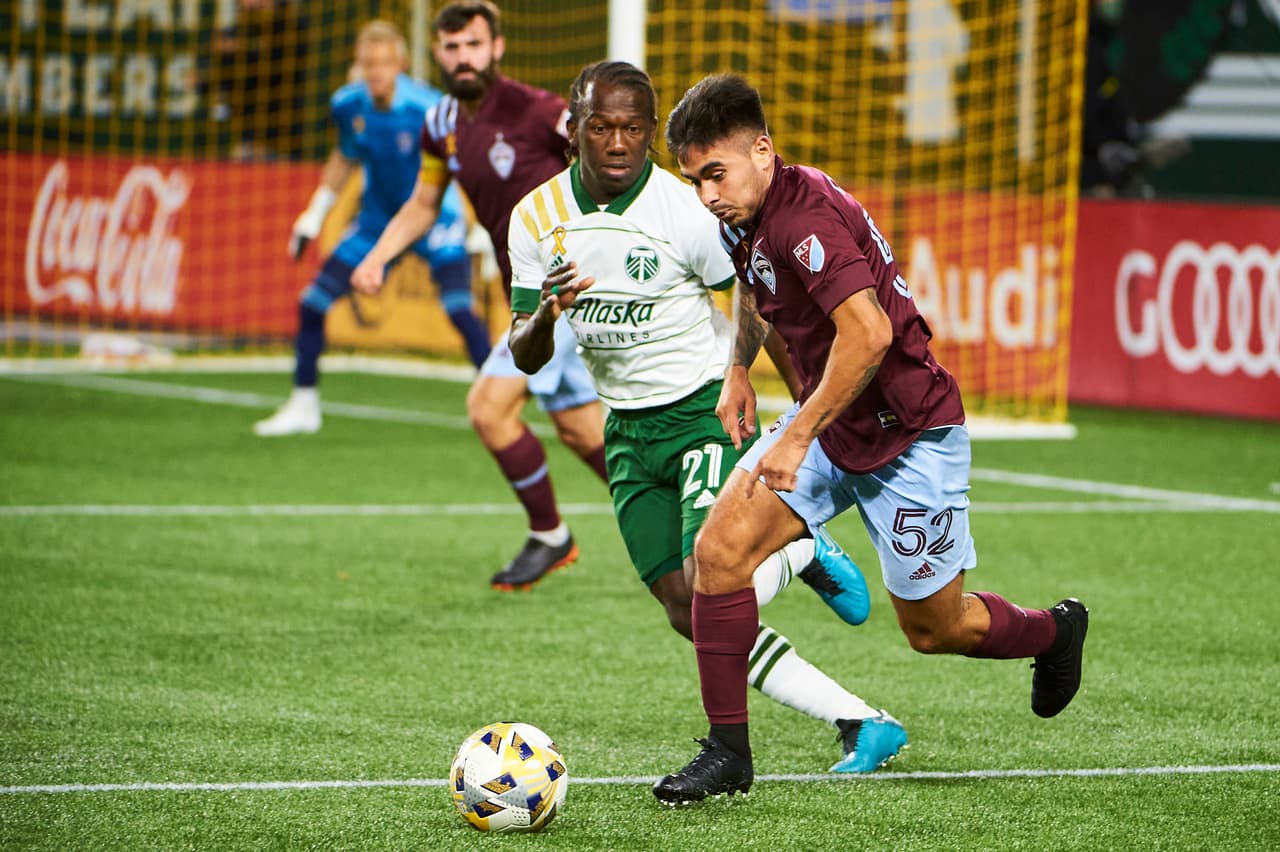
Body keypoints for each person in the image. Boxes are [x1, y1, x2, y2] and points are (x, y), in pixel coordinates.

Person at [655, 74, 1090, 804]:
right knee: (719, 554)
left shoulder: (805, 218)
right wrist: (737, 369)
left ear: (763, 150)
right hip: (831, 419)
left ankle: (1055, 632)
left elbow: (869, 335)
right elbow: (754, 285)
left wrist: (794, 440)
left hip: (909, 433)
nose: (706, 193)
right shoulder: (746, 212)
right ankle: (728, 752)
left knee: (935, 628)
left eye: (714, 174)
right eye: (695, 179)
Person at [506, 59, 905, 775]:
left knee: (710, 581)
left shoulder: (687, 210)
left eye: (633, 128)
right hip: (625, 430)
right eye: (602, 127)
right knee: (680, 609)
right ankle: (857, 705)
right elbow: (525, 353)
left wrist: (759, 382)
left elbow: (759, 291)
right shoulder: (534, 218)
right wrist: (548, 313)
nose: (618, 142)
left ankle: (813, 615)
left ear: (651, 133)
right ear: (574, 129)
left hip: (698, 415)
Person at [350, 2, 606, 589]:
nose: (462, 57)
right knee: (580, 431)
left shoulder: (540, 110)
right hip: (527, 298)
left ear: (496, 48)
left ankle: (550, 535)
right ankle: (685, 519)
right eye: (451, 47)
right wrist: (377, 256)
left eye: (473, 45)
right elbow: (422, 202)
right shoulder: (439, 122)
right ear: (437, 53)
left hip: (568, 290)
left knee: (488, 409)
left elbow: (612, 164)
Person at [254, 20, 491, 437]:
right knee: (312, 303)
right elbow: (345, 156)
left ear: (400, 64)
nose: (376, 72)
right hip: (377, 222)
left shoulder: (427, 106)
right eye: (368, 64)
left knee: (459, 309)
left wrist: (480, 223)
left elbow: (464, 161)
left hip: (436, 218)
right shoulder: (348, 104)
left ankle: (494, 400)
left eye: (383, 64)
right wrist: (314, 213)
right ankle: (303, 405)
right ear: (358, 66)